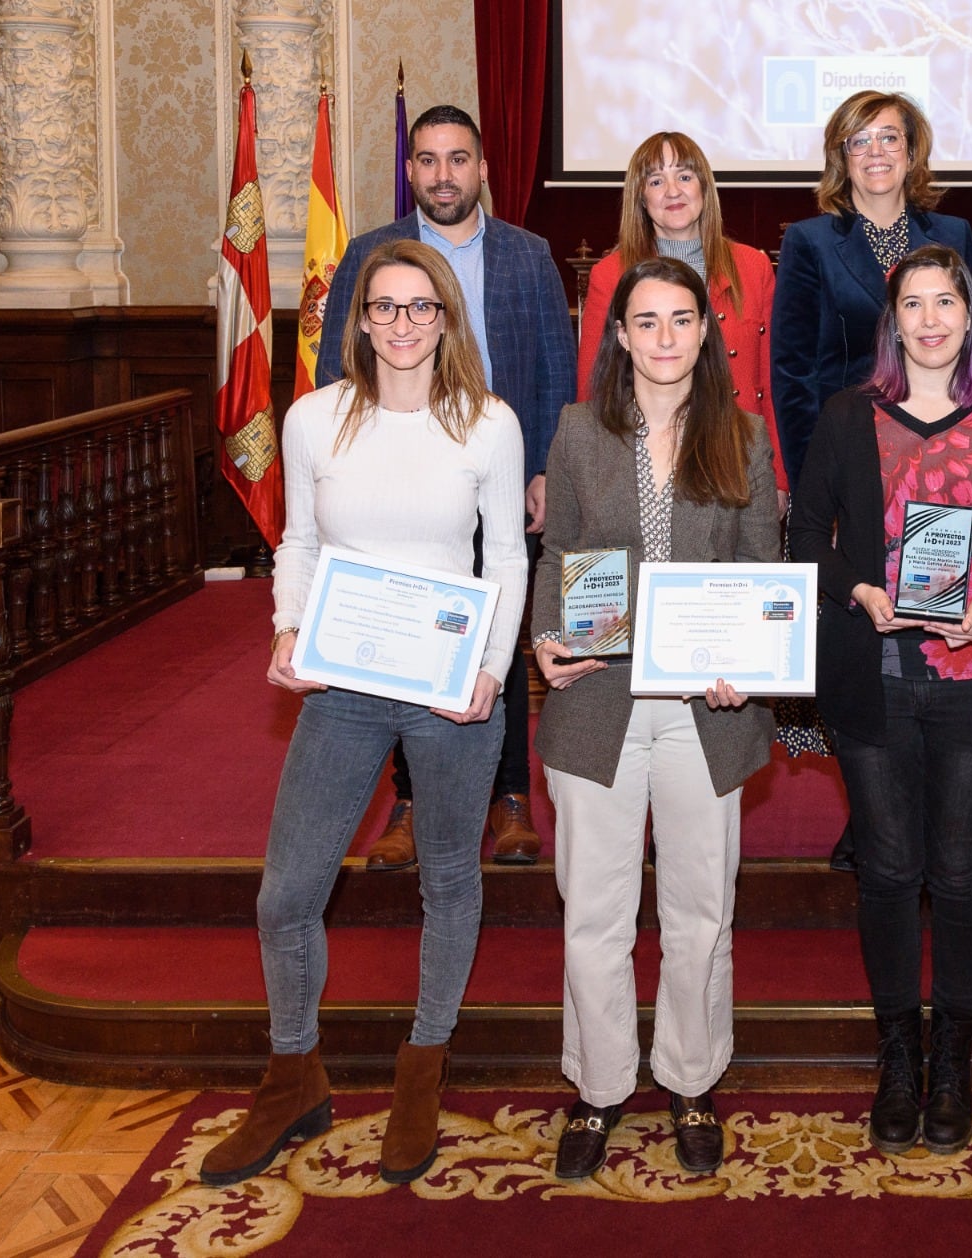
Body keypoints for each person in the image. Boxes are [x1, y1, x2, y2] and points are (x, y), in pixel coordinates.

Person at [202, 240, 527, 1187]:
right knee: (286, 894)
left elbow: (506, 559)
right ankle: (293, 1073)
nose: (402, 324)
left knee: (448, 884)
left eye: (419, 307)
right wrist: (287, 628)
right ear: (361, 321)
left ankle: (421, 1067)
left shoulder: (489, 425)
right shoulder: (314, 421)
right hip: (343, 690)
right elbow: (298, 540)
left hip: (450, 689)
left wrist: (493, 671)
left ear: (445, 320)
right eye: (384, 308)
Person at [789, 245, 972, 1155]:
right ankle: (898, 1054)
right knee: (892, 874)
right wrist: (860, 589)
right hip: (880, 680)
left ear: (968, 315)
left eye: (947, 301)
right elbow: (803, 537)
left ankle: (956, 1058)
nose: (930, 318)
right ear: (891, 319)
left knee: (965, 875)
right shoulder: (847, 416)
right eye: (913, 303)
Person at [532, 257, 780, 1180]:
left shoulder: (743, 437)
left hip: (702, 713)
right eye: (648, 321)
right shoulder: (577, 430)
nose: (667, 337)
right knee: (593, 911)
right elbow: (556, 551)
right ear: (622, 335)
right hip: (596, 699)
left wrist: (746, 668)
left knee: (698, 913)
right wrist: (547, 638)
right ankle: (598, 1089)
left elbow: (761, 568)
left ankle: (690, 1078)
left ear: (707, 332)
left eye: (684, 319)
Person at [317, 104, 575, 870]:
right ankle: (410, 801)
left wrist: (544, 469)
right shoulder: (373, 253)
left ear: (483, 168)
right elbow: (339, 374)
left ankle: (510, 800)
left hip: (498, 478)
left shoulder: (529, 254)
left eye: (458, 159)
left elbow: (557, 371)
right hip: (404, 483)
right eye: (427, 160)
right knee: (411, 636)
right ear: (411, 171)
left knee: (501, 634)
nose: (443, 175)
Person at [772, 89, 972, 872]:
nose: (877, 152)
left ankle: (926, 808)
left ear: (912, 151)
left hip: (940, 461)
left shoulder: (952, 234)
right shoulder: (812, 241)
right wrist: (807, 479)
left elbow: (969, 342)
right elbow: (792, 368)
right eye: (861, 141)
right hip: (852, 463)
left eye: (891, 137)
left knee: (931, 630)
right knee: (865, 635)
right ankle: (873, 808)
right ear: (841, 157)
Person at [577, 131, 786, 517]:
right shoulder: (610, 274)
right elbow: (595, 388)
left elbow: (770, 383)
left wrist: (778, 477)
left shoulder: (753, 269)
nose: (672, 190)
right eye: (656, 181)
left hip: (736, 460)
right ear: (640, 198)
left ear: (705, 188)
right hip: (640, 463)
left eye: (685, 176)